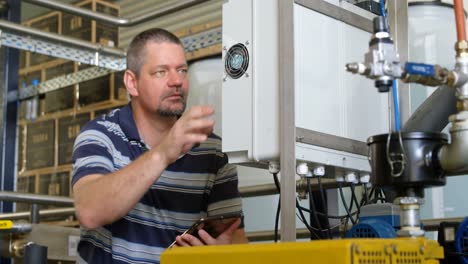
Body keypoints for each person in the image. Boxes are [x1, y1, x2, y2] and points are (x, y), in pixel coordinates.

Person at [71, 28, 247, 264]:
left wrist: (222, 254)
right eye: (161, 72)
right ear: (132, 83)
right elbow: (89, 212)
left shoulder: (212, 151)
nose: (176, 81)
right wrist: (164, 153)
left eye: (182, 70)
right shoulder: (101, 134)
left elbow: (237, 240)